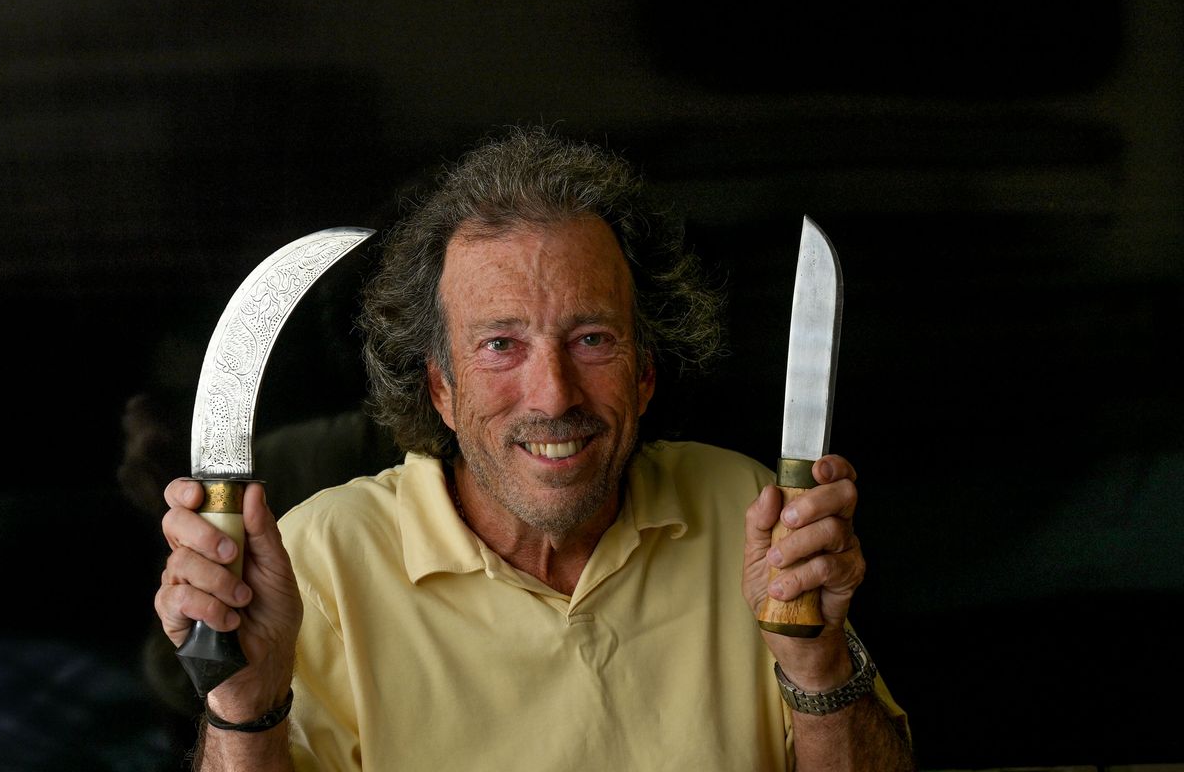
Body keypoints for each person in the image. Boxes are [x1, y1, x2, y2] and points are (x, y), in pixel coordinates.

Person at [155, 125, 916, 771]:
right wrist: (243, 712)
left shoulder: (747, 512)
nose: (553, 396)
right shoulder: (319, 556)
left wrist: (816, 665)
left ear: (644, 375)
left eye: (591, 339)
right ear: (441, 391)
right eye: (499, 344)